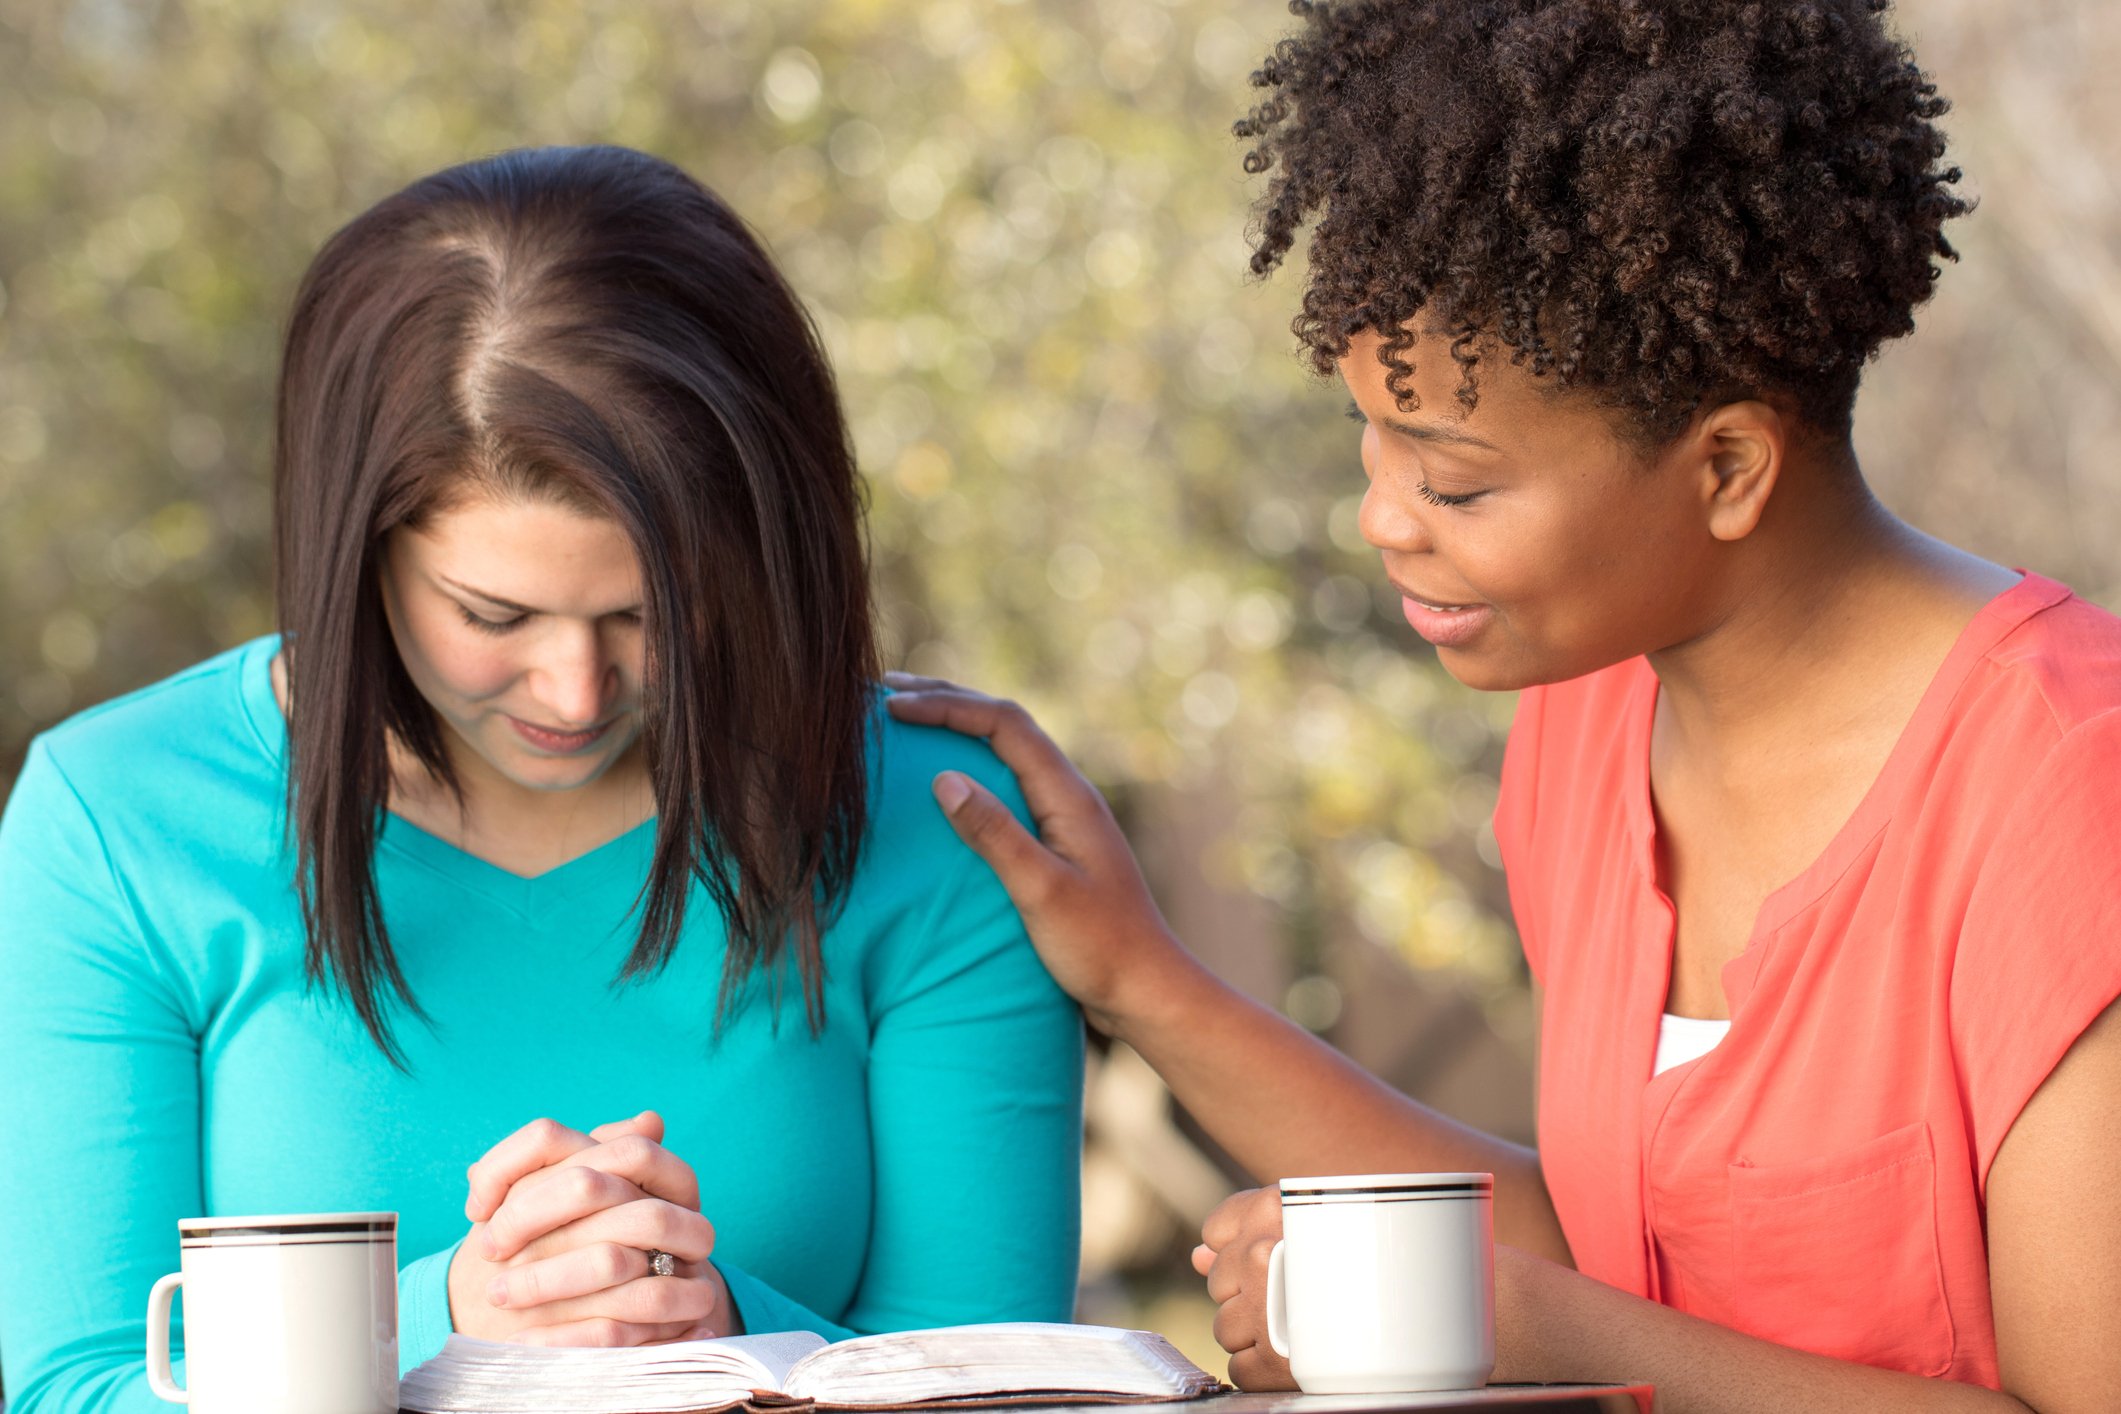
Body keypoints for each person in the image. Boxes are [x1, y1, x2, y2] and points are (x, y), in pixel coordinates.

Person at [885, 2, 2121, 1409]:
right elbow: (1612, 1257)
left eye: (1453, 481)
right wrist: (1137, 978)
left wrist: (1546, 1332)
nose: (1380, 521)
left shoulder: (2067, 792)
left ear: (1725, 467)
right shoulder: (1587, 725)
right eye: (1371, 445)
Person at [0, 145, 1083, 1413]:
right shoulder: (119, 819)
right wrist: (456, 1319)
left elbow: (1009, 1381)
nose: (575, 692)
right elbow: (75, 1386)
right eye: (493, 613)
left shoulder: (930, 818)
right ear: (361, 549)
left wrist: (711, 1325)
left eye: (648, 615)